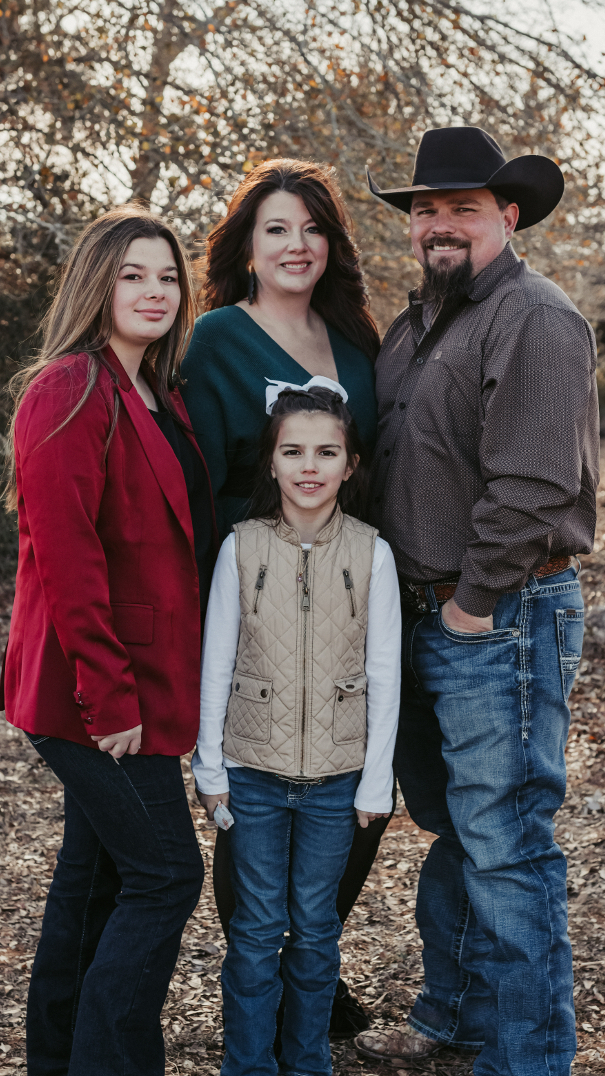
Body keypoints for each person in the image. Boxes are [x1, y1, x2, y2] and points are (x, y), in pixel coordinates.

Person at [351, 126, 601, 1076]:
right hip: (426, 614)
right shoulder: (417, 325)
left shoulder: (532, 316)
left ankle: (529, 1058)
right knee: (458, 829)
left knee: (504, 843)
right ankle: (453, 1017)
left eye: (463, 208)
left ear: (507, 216)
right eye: (426, 211)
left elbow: (534, 485)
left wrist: (471, 605)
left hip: (498, 614)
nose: (440, 225)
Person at [1, 205, 218, 1076]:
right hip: (91, 691)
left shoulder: (156, 392)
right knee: (166, 876)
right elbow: (66, 556)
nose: (154, 291)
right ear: (97, 282)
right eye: (133, 275)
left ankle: (58, 1060)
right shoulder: (68, 387)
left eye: (167, 276)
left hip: (140, 678)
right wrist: (108, 694)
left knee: (92, 882)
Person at [181, 158, 390, 1033]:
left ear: (331, 243)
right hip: (255, 593)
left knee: (356, 790)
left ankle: (313, 962)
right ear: (247, 246)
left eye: (311, 228)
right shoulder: (218, 340)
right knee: (258, 794)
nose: (295, 244)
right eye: (275, 229)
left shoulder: (356, 341)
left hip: (351, 591)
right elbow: (198, 484)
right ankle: (261, 983)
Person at [192, 383, 401, 1076]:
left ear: (351, 464)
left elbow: (384, 673)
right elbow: (217, 662)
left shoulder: (371, 554)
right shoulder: (241, 547)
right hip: (252, 774)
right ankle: (247, 1065)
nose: (309, 467)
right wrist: (211, 768)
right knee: (254, 932)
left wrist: (375, 780)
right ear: (271, 463)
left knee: (315, 931)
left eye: (326, 453)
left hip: (336, 781)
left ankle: (307, 1062)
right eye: (293, 452)